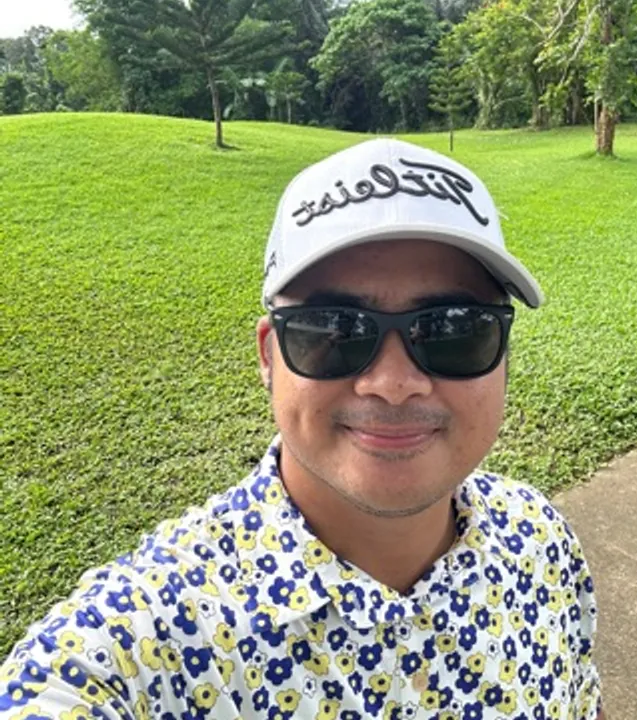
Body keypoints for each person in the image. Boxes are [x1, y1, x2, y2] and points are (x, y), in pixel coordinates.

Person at [0, 139, 604, 720]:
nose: (393, 383)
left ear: (504, 350)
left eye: (455, 328)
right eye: (333, 329)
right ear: (269, 356)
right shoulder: (136, 646)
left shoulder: (540, 536)